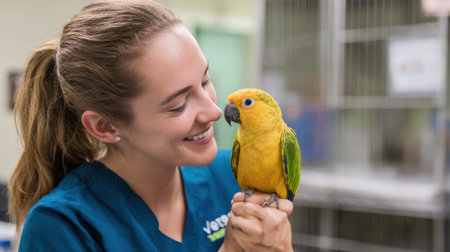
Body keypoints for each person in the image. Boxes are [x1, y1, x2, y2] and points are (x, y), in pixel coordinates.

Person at [9, 0, 294, 251]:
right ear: (104, 126)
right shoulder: (62, 227)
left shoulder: (230, 173)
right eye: (178, 105)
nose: (214, 111)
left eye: (205, 81)